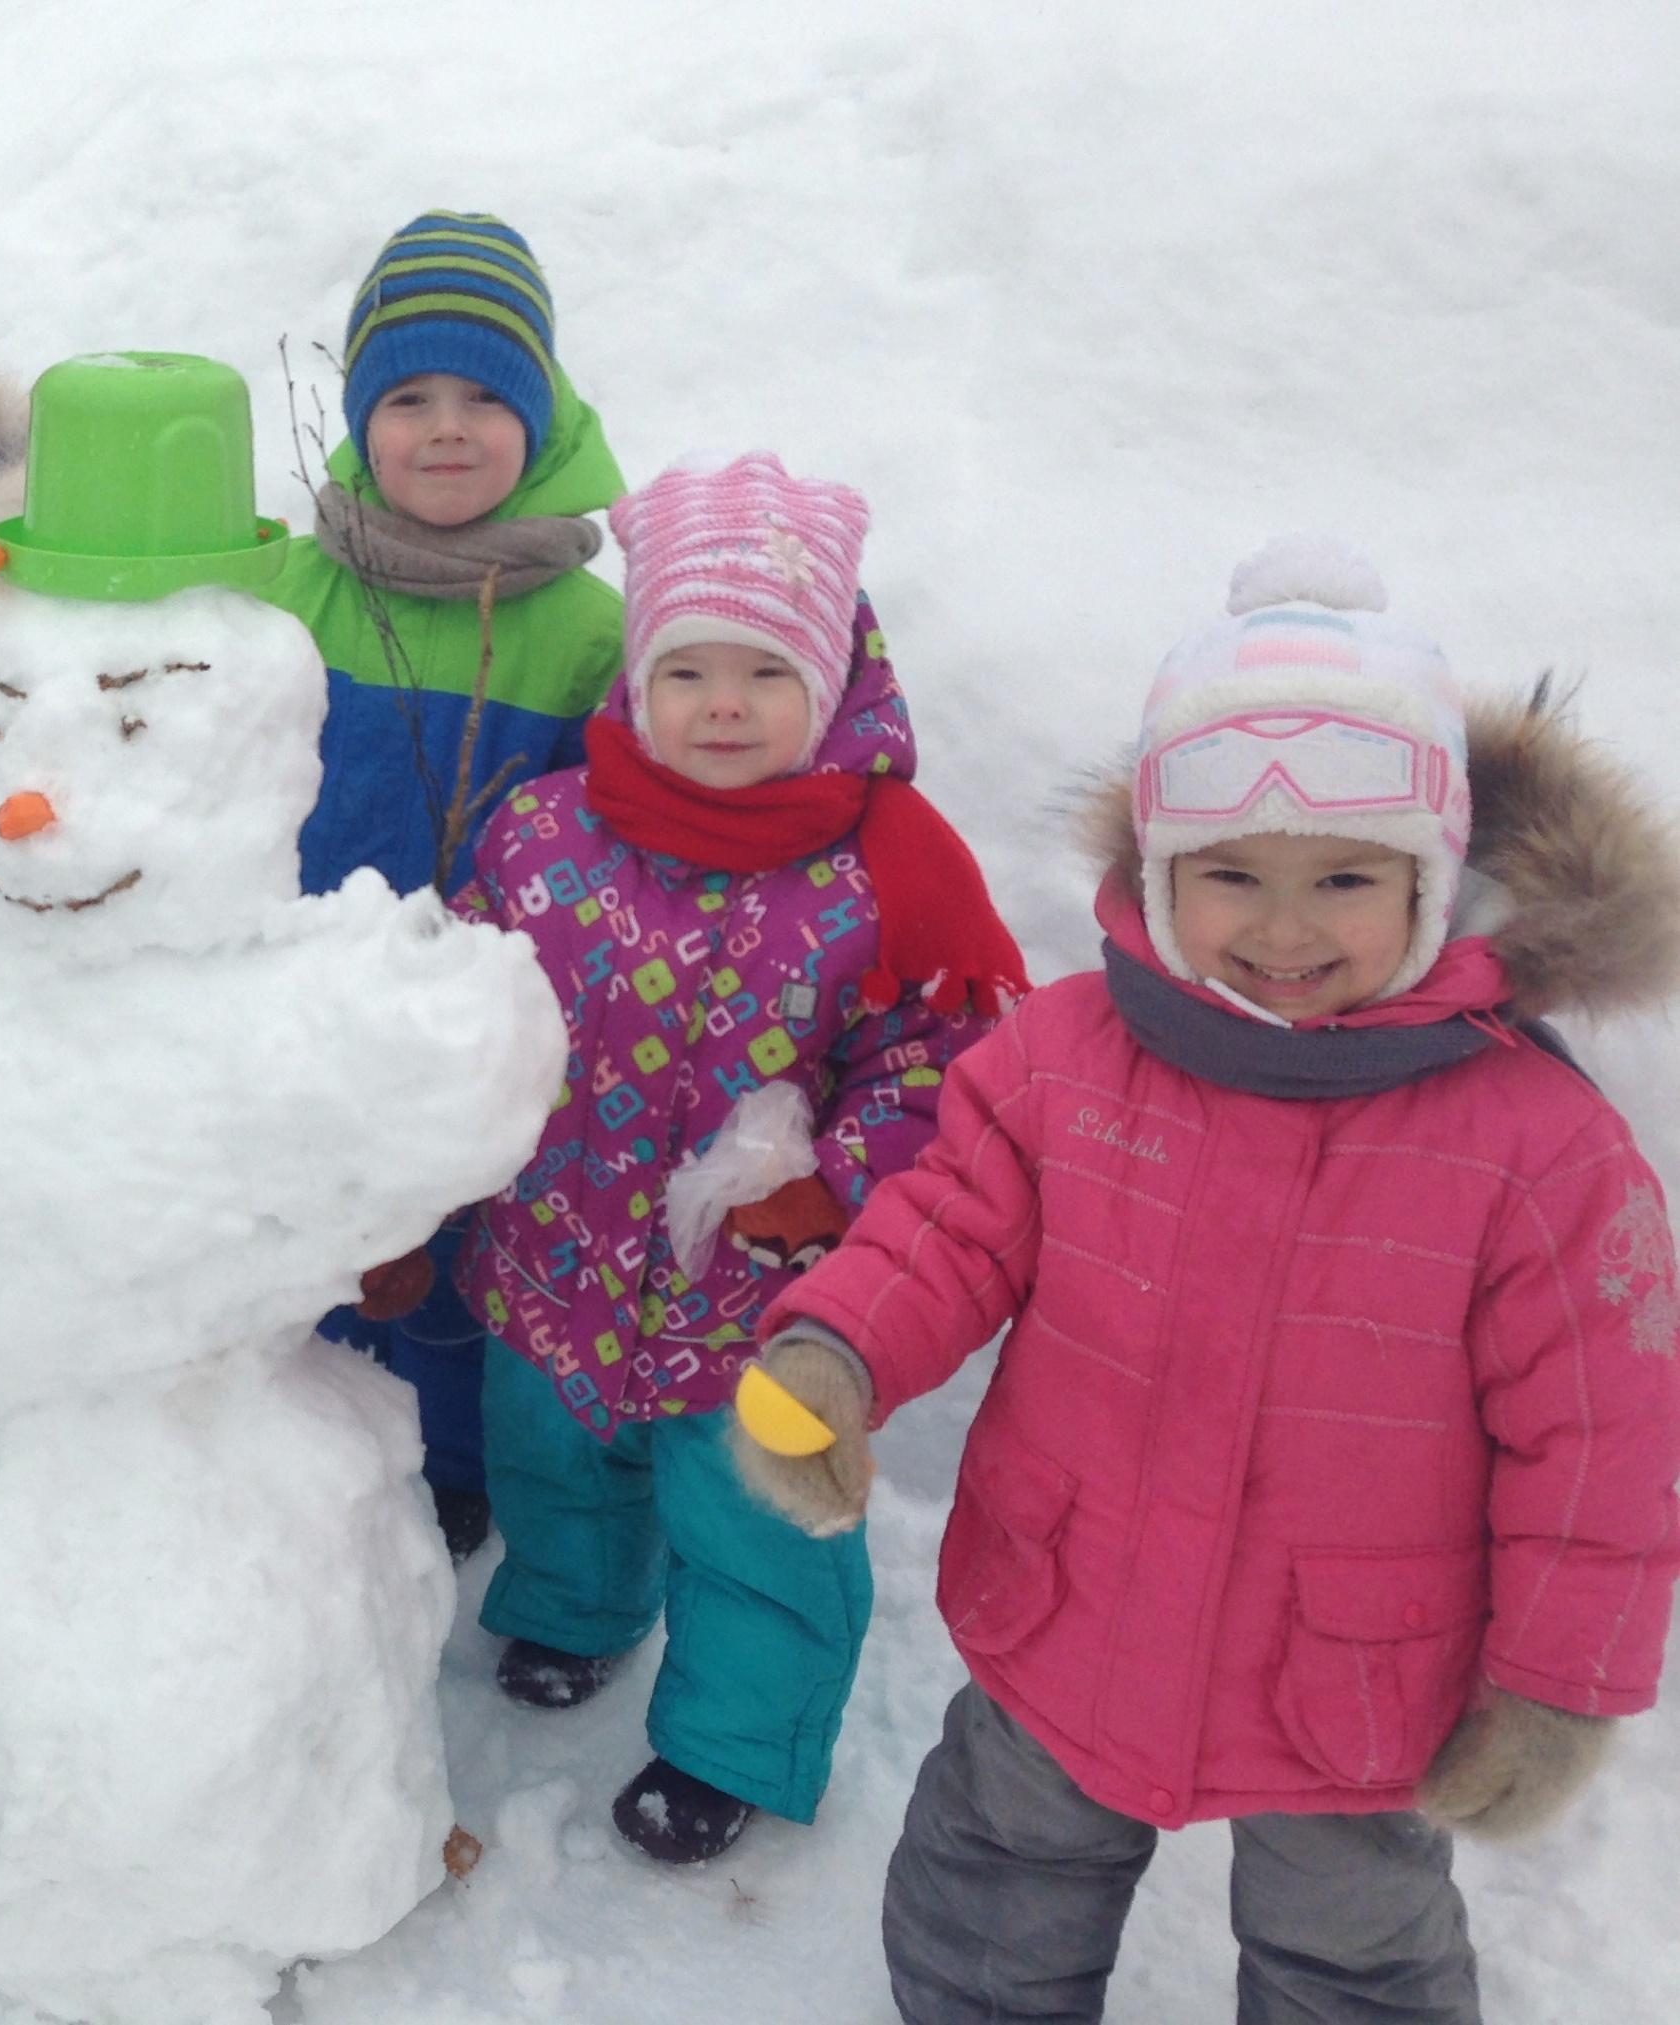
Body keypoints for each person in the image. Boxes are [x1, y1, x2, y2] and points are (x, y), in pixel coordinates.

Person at [740, 538, 1680, 2023]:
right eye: (1232, 873)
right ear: (1158, 871)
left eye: (1348, 878)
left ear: (1436, 883)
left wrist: (1562, 1681)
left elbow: (1601, 1443)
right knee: (997, 1873)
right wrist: (836, 1357)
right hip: (1069, 1601)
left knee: (1352, 1949)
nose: (1287, 928)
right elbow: (946, 1228)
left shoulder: (1536, 1149)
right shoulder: (1066, 1059)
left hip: (1362, 1678)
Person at [449, 453, 1026, 1862]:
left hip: (765, 1299)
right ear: (634, 679)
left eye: (765, 673)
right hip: (559, 1254)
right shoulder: (543, 832)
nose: (722, 704)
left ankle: (734, 1739)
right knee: (556, 1456)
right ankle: (577, 1606)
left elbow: (941, 1057)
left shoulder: (889, 864)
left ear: (832, 683)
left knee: (762, 1522)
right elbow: (457, 995)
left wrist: (831, 1174)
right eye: (687, 668)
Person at [262, 211, 628, 1562]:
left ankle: (461, 1463)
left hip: (489, 1023)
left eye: (486, 396)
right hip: (308, 992)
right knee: (328, 1238)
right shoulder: (291, 591)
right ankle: (336, 1442)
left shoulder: (593, 632)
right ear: (362, 420)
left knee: (466, 1265)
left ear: (544, 417)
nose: (448, 428)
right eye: (407, 397)